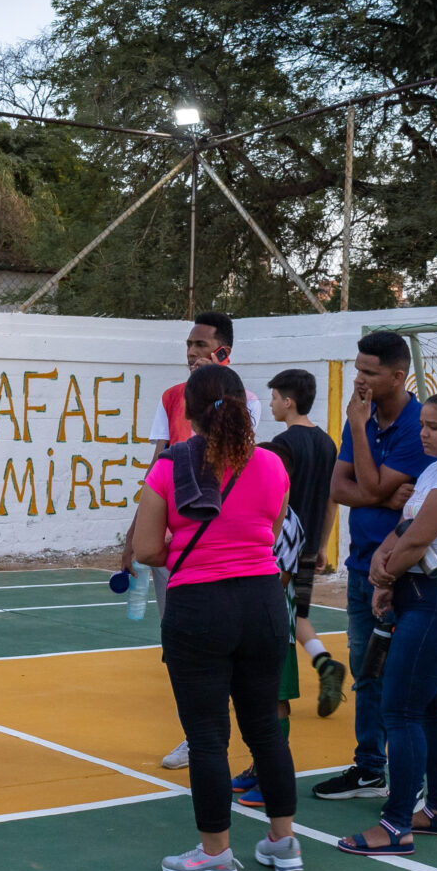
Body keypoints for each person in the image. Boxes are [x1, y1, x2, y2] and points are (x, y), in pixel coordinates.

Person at [130, 363, 300, 871]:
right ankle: (283, 841)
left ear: (189, 412)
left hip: (199, 608)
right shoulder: (272, 465)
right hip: (263, 602)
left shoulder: (169, 467)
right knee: (266, 729)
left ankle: (215, 853)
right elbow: (270, 532)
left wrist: (185, 551)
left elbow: (145, 548)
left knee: (207, 736)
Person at [342, 388, 437, 856]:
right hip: (426, 597)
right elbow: (405, 527)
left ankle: (395, 825)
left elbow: (420, 537)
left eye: (434, 427)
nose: (423, 433)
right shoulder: (436, 470)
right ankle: (436, 811)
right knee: (428, 708)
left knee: (401, 710)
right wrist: (384, 564)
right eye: (422, 425)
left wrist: (385, 573)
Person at [129, 312, 264, 772]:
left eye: (201, 344)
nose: (191, 352)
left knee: (227, 647)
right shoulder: (171, 398)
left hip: (223, 548)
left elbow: (238, 465)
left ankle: (224, 737)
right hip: (176, 545)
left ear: (223, 351)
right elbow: (157, 465)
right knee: (180, 643)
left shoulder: (248, 402)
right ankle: (198, 732)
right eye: (188, 344)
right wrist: (136, 533)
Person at [315, 330, 432, 799]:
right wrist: (380, 492)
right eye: (357, 368)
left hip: (403, 573)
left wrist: (361, 435)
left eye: (369, 372)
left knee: (405, 678)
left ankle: (415, 779)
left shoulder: (421, 423)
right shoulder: (360, 419)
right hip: (362, 566)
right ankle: (369, 767)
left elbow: (367, 480)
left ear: (398, 376)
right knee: (365, 671)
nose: (359, 379)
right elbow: (341, 488)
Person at [264, 367, 343, 717]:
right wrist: (323, 544)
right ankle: (324, 663)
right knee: (299, 614)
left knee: (275, 617)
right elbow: (331, 498)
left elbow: (273, 496)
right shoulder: (328, 443)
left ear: (288, 401)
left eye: (274, 398)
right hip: (310, 544)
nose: (271, 404)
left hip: (281, 547)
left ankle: (277, 691)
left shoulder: (283, 445)